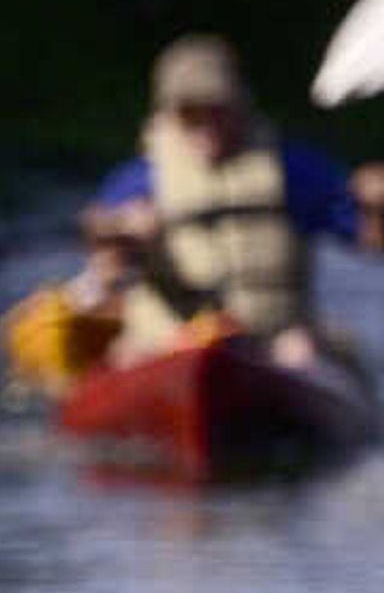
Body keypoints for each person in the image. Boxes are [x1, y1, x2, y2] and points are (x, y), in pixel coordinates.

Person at [71, 33, 384, 373]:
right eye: (191, 114)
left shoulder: (292, 171)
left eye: (217, 111)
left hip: (272, 343)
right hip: (167, 345)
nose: (207, 126)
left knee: (301, 351)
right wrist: (121, 234)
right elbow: (103, 253)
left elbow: (367, 239)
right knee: (128, 358)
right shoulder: (139, 180)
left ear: (240, 106)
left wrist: (375, 207)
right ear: (169, 114)